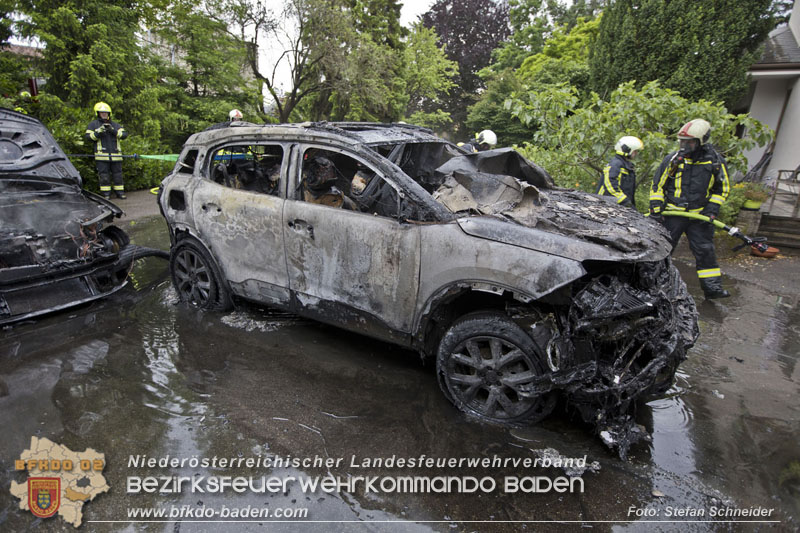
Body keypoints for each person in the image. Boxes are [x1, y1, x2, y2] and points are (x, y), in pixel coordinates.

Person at [650, 119, 731, 299]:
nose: (684, 146)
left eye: (690, 142)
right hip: (673, 215)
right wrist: (656, 207)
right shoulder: (673, 159)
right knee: (662, 249)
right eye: (682, 142)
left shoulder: (715, 162)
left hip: (700, 216)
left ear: (702, 141)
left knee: (705, 251)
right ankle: (654, 286)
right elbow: (657, 185)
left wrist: (711, 209)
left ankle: (712, 289)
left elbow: (722, 188)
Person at [85, 102, 128, 199]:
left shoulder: (115, 125)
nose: (104, 114)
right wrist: (98, 132)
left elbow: (124, 135)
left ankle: (120, 193)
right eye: (102, 113)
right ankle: (106, 194)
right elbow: (88, 138)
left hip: (116, 155)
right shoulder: (93, 125)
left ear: (109, 113)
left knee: (118, 175)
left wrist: (113, 130)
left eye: (106, 113)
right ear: (98, 113)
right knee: (104, 176)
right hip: (101, 156)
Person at [597, 136, 643, 208]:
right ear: (627, 149)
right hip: (606, 205)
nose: (636, 153)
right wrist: (625, 201)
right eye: (635, 151)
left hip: (618, 204)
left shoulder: (627, 166)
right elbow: (610, 187)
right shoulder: (615, 165)